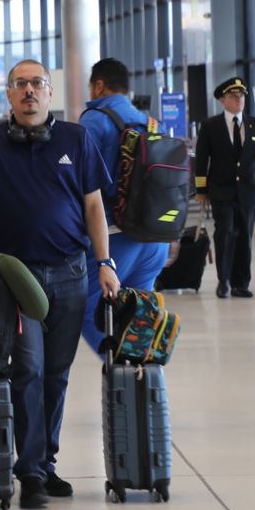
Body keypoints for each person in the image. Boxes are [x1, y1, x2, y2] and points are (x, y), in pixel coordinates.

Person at [0, 60, 120, 510]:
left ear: (50, 92)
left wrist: (105, 261)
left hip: (72, 273)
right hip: (18, 278)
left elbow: (94, 207)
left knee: (57, 373)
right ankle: (31, 471)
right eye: (20, 85)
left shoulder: (77, 139)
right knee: (29, 369)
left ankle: (46, 462)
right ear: (9, 95)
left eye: (37, 84)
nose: (29, 92)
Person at [77, 58, 170, 347]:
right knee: (140, 322)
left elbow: (78, 181)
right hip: (155, 240)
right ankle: (149, 387)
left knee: (89, 313)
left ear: (99, 85)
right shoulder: (151, 123)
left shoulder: (95, 120)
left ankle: (121, 380)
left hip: (115, 238)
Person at [194, 78, 255, 299]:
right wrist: (201, 190)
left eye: (241, 96)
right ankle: (224, 280)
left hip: (247, 192)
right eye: (233, 96)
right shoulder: (211, 126)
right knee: (224, 234)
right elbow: (202, 160)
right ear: (222, 100)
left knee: (244, 236)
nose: (238, 100)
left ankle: (241, 283)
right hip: (221, 190)